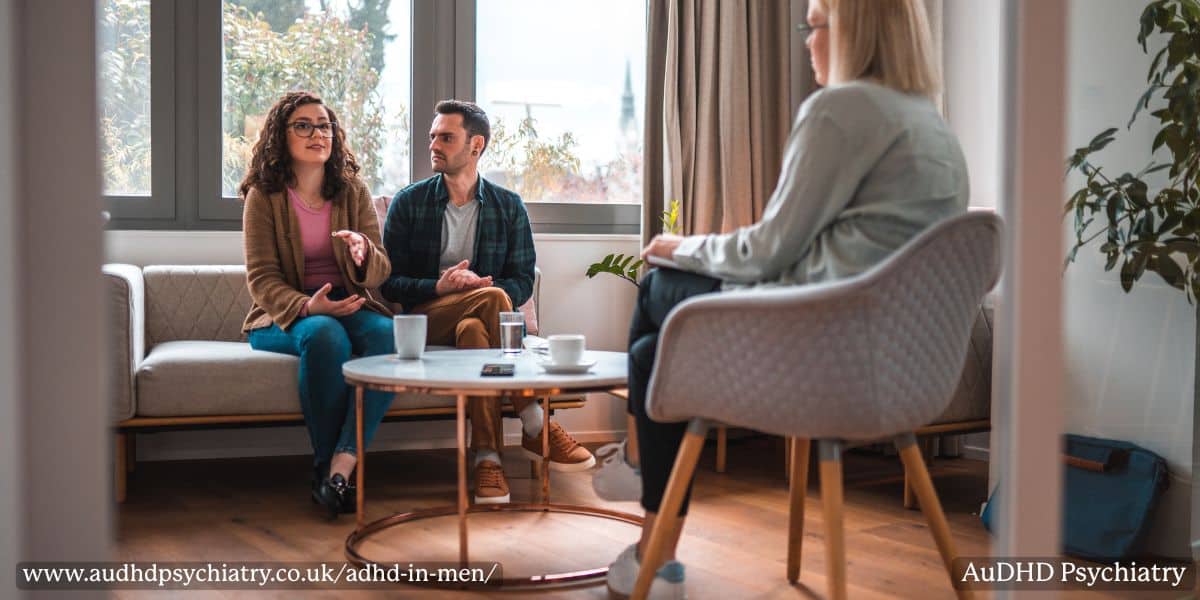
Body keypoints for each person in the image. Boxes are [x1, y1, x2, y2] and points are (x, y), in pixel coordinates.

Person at [596, 0, 969, 596]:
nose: (805, 40)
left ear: (850, 33)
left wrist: (679, 245)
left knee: (659, 292)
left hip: (821, 355)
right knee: (650, 350)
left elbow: (769, 250)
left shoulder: (841, 110)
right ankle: (652, 539)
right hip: (901, 370)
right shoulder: (932, 125)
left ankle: (648, 508)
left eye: (814, 25)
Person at [381, 100, 595, 505]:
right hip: (428, 316)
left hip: (478, 325)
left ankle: (488, 460)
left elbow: (521, 280)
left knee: (476, 329)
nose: (434, 145)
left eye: (446, 137)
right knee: (492, 298)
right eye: (432, 136)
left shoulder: (508, 205)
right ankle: (534, 421)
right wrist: (441, 287)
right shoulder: (409, 203)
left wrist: (480, 291)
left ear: (475, 144)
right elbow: (391, 284)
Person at [240, 91, 395, 519]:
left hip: (349, 305)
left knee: (388, 335)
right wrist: (310, 308)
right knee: (326, 336)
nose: (316, 134)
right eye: (303, 125)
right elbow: (262, 279)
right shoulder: (264, 196)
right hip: (285, 316)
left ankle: (343, 463)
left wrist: (364, 253)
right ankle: (328, 469)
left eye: (323, 125)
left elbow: (381, 269)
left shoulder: (352, 191)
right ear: (281, 136)